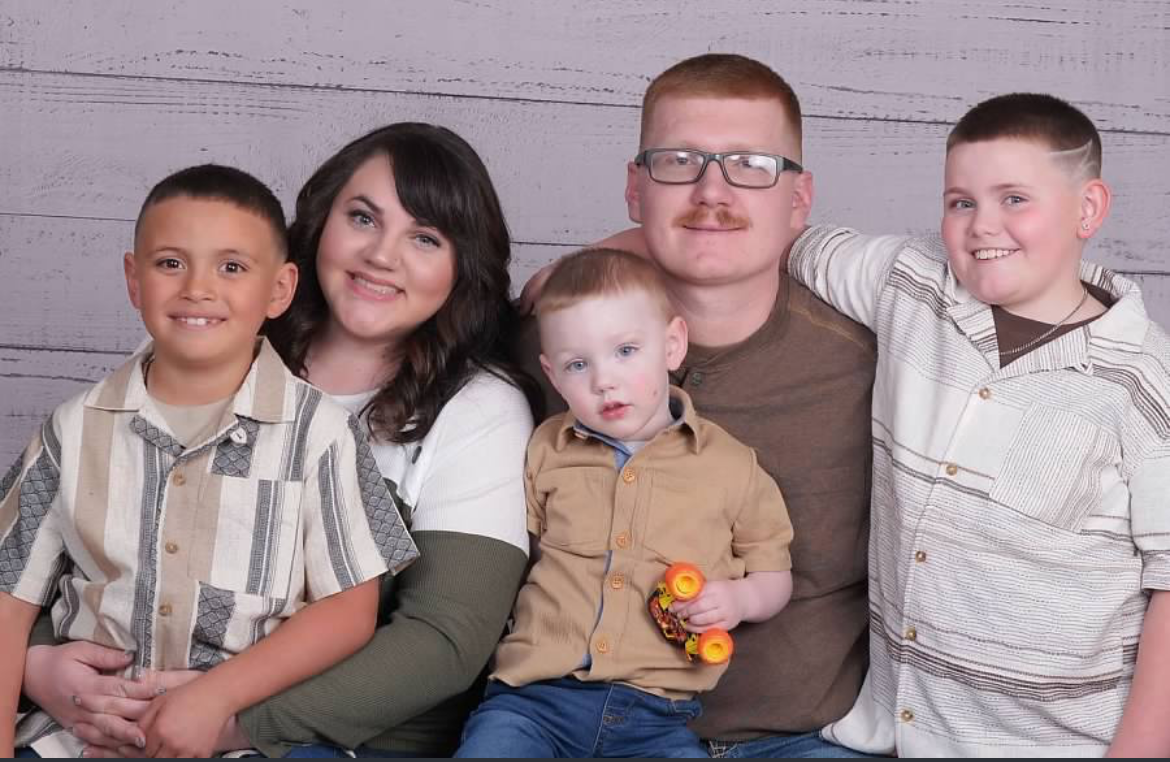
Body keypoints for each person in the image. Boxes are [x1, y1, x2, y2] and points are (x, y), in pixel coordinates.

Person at [21, 123, 540, 757]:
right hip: (115, 724)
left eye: (425, 238)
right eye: (362, 218)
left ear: (463, 269)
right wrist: (41, 664)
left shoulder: (480, 408)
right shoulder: (208, 337)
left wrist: (231, 718)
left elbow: (443, 639)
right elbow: (62, 548)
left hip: (326, 745)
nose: (382, 255)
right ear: (320, 223)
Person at [787, 93, 1170, 756]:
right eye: (961, 201)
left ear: (1088, 209)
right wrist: (622, 256)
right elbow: (768, 241)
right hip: (894, 735)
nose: (981, 225)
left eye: (1014, 199)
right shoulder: (909, 285)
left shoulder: (1143, 385)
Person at [521, 54, 878, 758]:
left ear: (799, 200)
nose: (712, 191)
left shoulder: (874, 362)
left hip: (806, 738)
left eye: (750, 164)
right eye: (678, 161)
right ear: (634, 187)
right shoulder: (550, 341)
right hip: (584, 728)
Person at [1, 164, 417, 758]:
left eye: (231, 267)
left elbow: (350, 610)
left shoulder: (320, 434)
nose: (198, 288)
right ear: (134, 280)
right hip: (83, 730)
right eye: (171, 263)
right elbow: (9, 598)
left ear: (279, 289)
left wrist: (216, 698)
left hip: (242, 732)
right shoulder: (74, 428)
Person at [458, 247, 794, 758]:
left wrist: (739, 600)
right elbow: (510, 555)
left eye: (626, 351)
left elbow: (776, 575)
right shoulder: (545, 450)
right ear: (552, 374)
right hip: (531, 703)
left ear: (673, 345)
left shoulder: (731, 466)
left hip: (656, 717)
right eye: (577, 364)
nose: (603, 380)